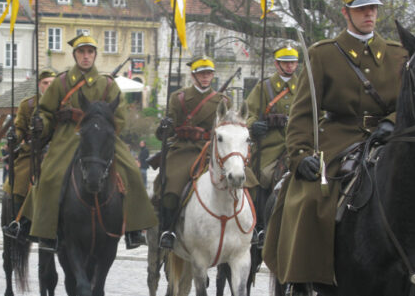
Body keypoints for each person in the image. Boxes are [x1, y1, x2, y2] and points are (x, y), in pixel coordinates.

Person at [263, 0, 415, 296]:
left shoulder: (398, 53)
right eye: (362, 9)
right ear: (345, 12)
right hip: (340, 135)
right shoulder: (322, 54)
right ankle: (302, 276)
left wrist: (392, 121)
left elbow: (413, 100)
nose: (369, 14)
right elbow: (303, 114)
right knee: (309, 198)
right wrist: (300, 155)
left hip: (393, 137)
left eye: (373, 8)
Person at [22, 33, 156, 251]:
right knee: (49, 176)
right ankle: (45, 231)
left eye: (90, 52)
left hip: (101, 138)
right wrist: (41, 122)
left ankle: (134, 229)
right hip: (68, 137)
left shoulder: (107, 84)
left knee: (131, 170)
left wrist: (104, 127)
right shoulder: (61, 82)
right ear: (75, 55)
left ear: (95, 55)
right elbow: (46, 112)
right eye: (82, 52)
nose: (86, 56)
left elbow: (119, 117)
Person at [155, 55, 237, 249]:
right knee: (172, 187)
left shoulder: (224, 101)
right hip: (185, 149)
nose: (206, 77)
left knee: (243, 181)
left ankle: (247, 227)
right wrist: (165, 126)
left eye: (209, 73)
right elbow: (165, 133)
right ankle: (168, 230)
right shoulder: (179, 98)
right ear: (193, 76)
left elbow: (229, 129)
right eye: (202, 74)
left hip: (212, 151)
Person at [245, 45, 299, 228]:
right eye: (286, 62)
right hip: (271, 147)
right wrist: (254, 125)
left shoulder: (304, 87)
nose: (290, 66)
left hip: (298, 144)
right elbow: (249, 114)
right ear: (277, 64)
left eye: (292, 62)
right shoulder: (264, 87)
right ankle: (259, 225)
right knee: (264, 177)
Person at [2, 69, 56, 241]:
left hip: (58, 151)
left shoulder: (65, 103)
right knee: (19, 179)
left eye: (51, 83)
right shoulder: (29, 104)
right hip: (34, 152)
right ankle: (20, 223)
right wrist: (14, 135)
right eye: (45, 83)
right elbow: (20, 128)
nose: (48, 86)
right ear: (39, 85)